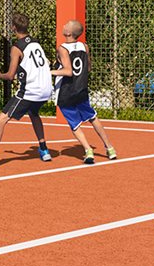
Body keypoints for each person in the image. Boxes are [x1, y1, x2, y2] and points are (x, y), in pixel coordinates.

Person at [0, 13, 54, 169]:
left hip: (31, 91)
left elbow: (10, 75)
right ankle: (44, 150)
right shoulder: (36, 43)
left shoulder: (17, 48)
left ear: (13, 28)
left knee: (1, 119)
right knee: (34, 113)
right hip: (46, 90)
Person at [48, 20, 116, 165]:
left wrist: (49, 72)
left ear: (68, 33)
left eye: (66, 25)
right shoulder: (84, 46)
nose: (63, 26)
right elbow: (88, 67)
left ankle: (88, 150)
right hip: (81, 88)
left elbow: (68, 71)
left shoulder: (62, 49)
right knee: (92, 117)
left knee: (75, 124)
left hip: (66, 91)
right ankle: (110, 148)